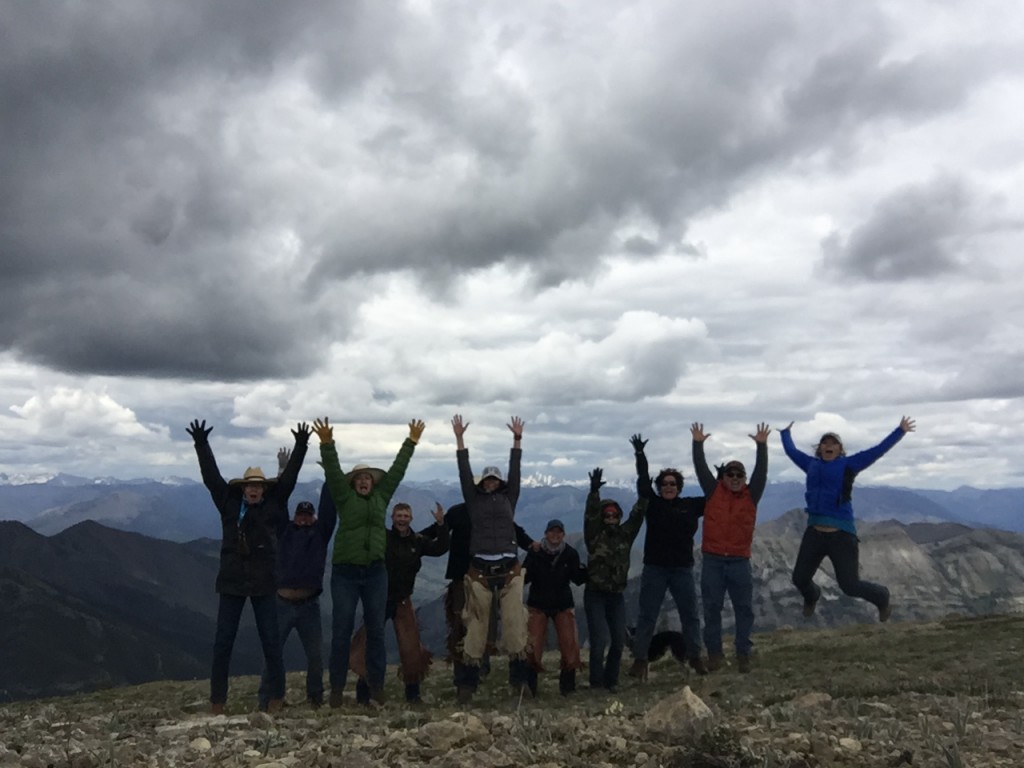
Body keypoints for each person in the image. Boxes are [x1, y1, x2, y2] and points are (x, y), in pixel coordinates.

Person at [186, 419, 310, 714]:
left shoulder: (274, 504)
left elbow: (289, 478)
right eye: (250, 486)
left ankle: (275, 698)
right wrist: (201, 444)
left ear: (264, 489)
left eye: (258, 486)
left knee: (271, 643)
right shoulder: (228, 504)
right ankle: (218, 701)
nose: (254, 490)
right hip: (232, 582)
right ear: (243, 489)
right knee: (222, 643)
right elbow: (211, 478)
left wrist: (301, 446)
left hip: (264, 583)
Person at [313, 416, 425, 707]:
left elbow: (398, 470)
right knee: (341, 629)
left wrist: (410, 442)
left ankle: (376, 687)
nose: (364, 482)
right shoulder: (343, 497)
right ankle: (337, 689)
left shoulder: (382, 497)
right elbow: (335, 474)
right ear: (354, 484)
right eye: (359, 479)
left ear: (373, 483)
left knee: (376, 630)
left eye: (368, 479)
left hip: (376, 572)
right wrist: (327, 444)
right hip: (345, 573)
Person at [781, 417, 916, 622]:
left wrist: (900, 431)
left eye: (833, 443)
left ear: (839, 449)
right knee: (799, 578)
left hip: (841, 535)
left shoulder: (848, 465)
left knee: (850, 586)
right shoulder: (810, 464)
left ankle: (882, 597)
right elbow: (791, 452)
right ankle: (813, 595)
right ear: (819, 449)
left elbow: (877, 451)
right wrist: (785, 433)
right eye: (825, 443)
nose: (828, 446)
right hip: (814, 532)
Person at [451, 413, 530, 703]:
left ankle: (521, 681)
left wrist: (517, 440)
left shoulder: (512, 497)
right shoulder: (473, 501)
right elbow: (463, 472)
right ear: (482, 482)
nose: (492, 483)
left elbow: (516, 470)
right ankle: (467, 686)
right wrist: (460, 440)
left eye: (496, 479)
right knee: (476, 629)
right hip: (480, 570)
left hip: (510, 568)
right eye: (488, 479)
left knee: (513, 627)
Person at [427, 502, 535, 697]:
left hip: (490, 576)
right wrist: (413, 537)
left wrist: (529, 544)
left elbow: (513, 530)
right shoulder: (459, 512)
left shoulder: (494, 509)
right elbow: (436, 530)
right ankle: (465, 680)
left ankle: (480, 674)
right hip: (464, 576)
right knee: (463, 626)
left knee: (496, 626)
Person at [349, 502, 450, 704]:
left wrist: (441, 524)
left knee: (411, 647)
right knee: (368, 644)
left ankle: (413, 694)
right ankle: (364, 691)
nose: (402, 519)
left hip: (403, 600)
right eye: (399, 516)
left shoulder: (418, 541)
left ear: (411, 519)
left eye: (405, 516)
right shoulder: (383, 538)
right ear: (392, 518)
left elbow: (440, 548)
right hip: (379, 599)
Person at [690, 422, 770, 673]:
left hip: (739, 561)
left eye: (739, 475)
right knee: (712, 608)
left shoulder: (751, 494)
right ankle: (714, 654)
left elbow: (762, 472)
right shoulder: (712, 491)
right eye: (730, 474)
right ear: (723, 477)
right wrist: (698, 444)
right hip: (713, 560)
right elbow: (701, 468)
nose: (735, 478)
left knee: (743, 609)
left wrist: (761, 446)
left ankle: (742, 653)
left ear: (744, 479)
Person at [627, 432, 708, 680]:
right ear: (659, 488)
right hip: (655, 568)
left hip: (682, 568)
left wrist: (703, 453)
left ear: (679, 487)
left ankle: (695, 656)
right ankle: (640, 659)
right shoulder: (653, 503)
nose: (669, 487)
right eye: (665, 484)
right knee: (647, 614)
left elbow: (715, 494)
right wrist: (640, 455)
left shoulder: (693, 505)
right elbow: (642, 480)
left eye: (673, 484)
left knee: (690, 614)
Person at [257, 475, 337, 708]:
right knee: (272, 654)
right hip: (281, 602)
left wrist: (328, 479)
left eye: (307, 516)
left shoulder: (321, 533)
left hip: (308, 604)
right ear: (295, 517)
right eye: (300, 516)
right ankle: (267, 700)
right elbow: (280, 504)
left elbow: (328, 510)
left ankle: (315, 699)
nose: (303, 520)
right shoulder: (284, 531)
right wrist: (283, 472)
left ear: (313, 517)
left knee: (315, 657)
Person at [583, 466, 646, 692]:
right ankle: (597, 683)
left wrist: (643, 477)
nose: (610, 518)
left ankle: (611, 681)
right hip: (595, 594)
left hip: (616, 595)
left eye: (614, 515)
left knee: (619, 641)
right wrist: (593, 492)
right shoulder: (594, 535)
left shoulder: (625, 535)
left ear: (619, 517)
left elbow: (639, 513)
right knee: (599, 640)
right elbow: (590, 515)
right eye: (606, 515)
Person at [523, 519, 588, 696]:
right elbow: (524, 576)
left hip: (562, 605)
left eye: (558, 532)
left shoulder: (570, 554)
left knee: (569, 645)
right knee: (532, 647)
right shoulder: (535, 552)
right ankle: (530, 688)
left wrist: (591, 571)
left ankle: (568, 688)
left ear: (563, 535)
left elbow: (577, 577)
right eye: (552, 532)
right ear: (546, 533)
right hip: (538, 605)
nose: (555, 535)